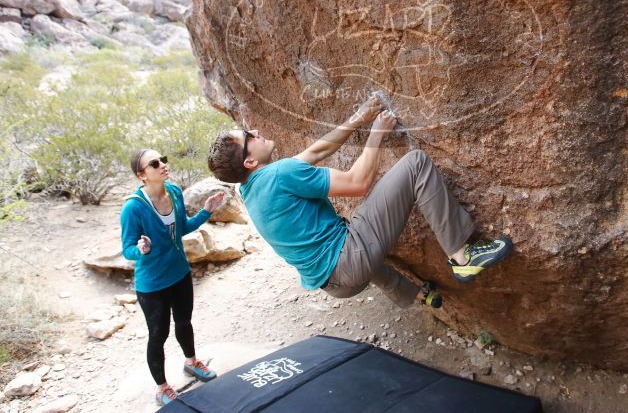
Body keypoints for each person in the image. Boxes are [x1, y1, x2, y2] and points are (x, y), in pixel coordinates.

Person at [206, 95, 513, 310]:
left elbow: (315, 151)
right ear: (249, 160)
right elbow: (358, 183)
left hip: (335, 284)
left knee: (349, 245)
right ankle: (463, 257)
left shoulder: (249, 189)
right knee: (416, 163)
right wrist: (375, 135)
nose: (255, 131)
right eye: (248, 135)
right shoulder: (281, 174)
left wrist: (359, 117)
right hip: (350, 261)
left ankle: (418, 296)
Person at [120, 149, 225, 406]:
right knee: (158, 334)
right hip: (153, 285)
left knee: (184, 322)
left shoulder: (175, 192)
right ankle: (162, 387)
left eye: (163, 159)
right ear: (142, 175)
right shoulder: (133, 208)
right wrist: (141, 249)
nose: (163, 165)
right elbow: (127, 249)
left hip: (180, 274)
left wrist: (206, 211)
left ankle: (191, 363)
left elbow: (182, 228)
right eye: (155, 164)